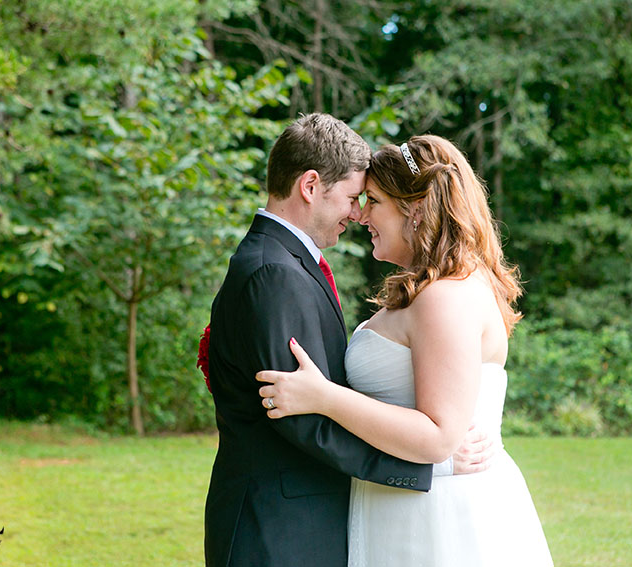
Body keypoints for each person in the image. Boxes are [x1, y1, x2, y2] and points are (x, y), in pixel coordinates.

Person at [203, 116, 493, 567]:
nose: (358, 214)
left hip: (305, 518)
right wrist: (432, 463)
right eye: (354, 197)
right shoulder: (274, 272)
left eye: (367, 201)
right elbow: (301, 419)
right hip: (278, 527)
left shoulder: (286, 263)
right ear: (311, 185)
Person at [256, 135, 554, 566]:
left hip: (438, 517)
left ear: (414, 209)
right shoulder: (430, 290)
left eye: (373, 201)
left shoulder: (445, 296)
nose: (361, 215)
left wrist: (324, 396)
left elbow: (438, 436)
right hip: (403, 501)